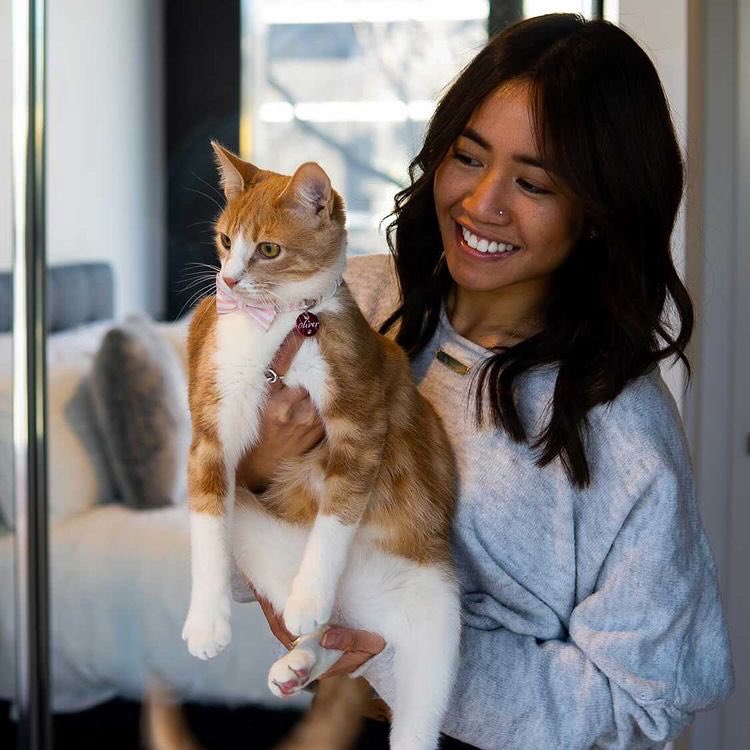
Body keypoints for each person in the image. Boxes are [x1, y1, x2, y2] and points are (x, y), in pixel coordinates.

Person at [237, 13, 734, 749]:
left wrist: (411, 645)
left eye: (532, 182)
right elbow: (222, 508)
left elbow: (645, 702)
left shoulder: (618, 427)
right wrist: (261, 472)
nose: (482, 204)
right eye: (468, 158)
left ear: (598, 213)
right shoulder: (357, 306)